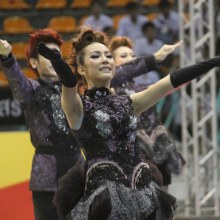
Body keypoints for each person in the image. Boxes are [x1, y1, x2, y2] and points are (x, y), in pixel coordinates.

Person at [38, 26, 220, 219]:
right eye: (95, 56)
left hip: (143, 191)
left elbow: (171, 81)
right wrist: (57, 61)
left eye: (108, 56)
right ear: (82, 68)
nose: (105, 60)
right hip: (104, 201)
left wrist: (214, 61)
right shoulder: (78, 107)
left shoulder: (130, 103)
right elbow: (69, 83)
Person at [0, 29, 83, 220]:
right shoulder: (31, 89)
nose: (55, 60)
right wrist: (7, 58)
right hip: (46, 177)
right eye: (48, 55)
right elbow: (16, 81)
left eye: (58, 55)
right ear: (34, 63)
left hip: (78, 170)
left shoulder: (75, 89)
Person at [110, 36, 185, 191]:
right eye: (123, 56)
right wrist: (155, 57)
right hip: (132, 152)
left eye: (132, 56)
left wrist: (200, 68)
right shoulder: (110, 88)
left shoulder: (143, 87)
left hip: (158, 146)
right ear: (112, 62)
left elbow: (171, 84)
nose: (130, 59)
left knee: (164, 200)